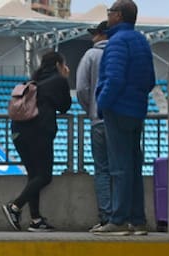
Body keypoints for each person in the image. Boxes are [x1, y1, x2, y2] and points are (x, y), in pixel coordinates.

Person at [95, 0, 156, 236]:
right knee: (133, 165)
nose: (108, 16)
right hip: (137, 110)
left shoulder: (117, 42)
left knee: (119, 167)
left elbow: (114, 79)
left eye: (110, 12)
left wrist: (103, 104)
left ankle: (118, 219)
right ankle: (137, 219)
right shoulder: (141, 41)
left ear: (118, 16)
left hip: (118, 110)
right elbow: (150, 79)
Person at [1, 51, 72, 232]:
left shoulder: (35, 79)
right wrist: (65, 78)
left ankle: (36, 220)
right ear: (58, 64)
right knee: (44, 176)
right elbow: (65, 106)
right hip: (39, 133)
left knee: (34, 176)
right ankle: (15, 206)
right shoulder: (58, 81)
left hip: (18, 132)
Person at [76, 20, 112, 233]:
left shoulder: (90, 55)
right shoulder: (121, 53)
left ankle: (106, 217)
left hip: (98, 119)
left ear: (101, 35)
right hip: (120, 118)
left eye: (95, 33)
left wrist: (91, 108)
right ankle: (122, 216)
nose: (92, 37)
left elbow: (81, 88)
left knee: (102, 170)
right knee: (121, 169)